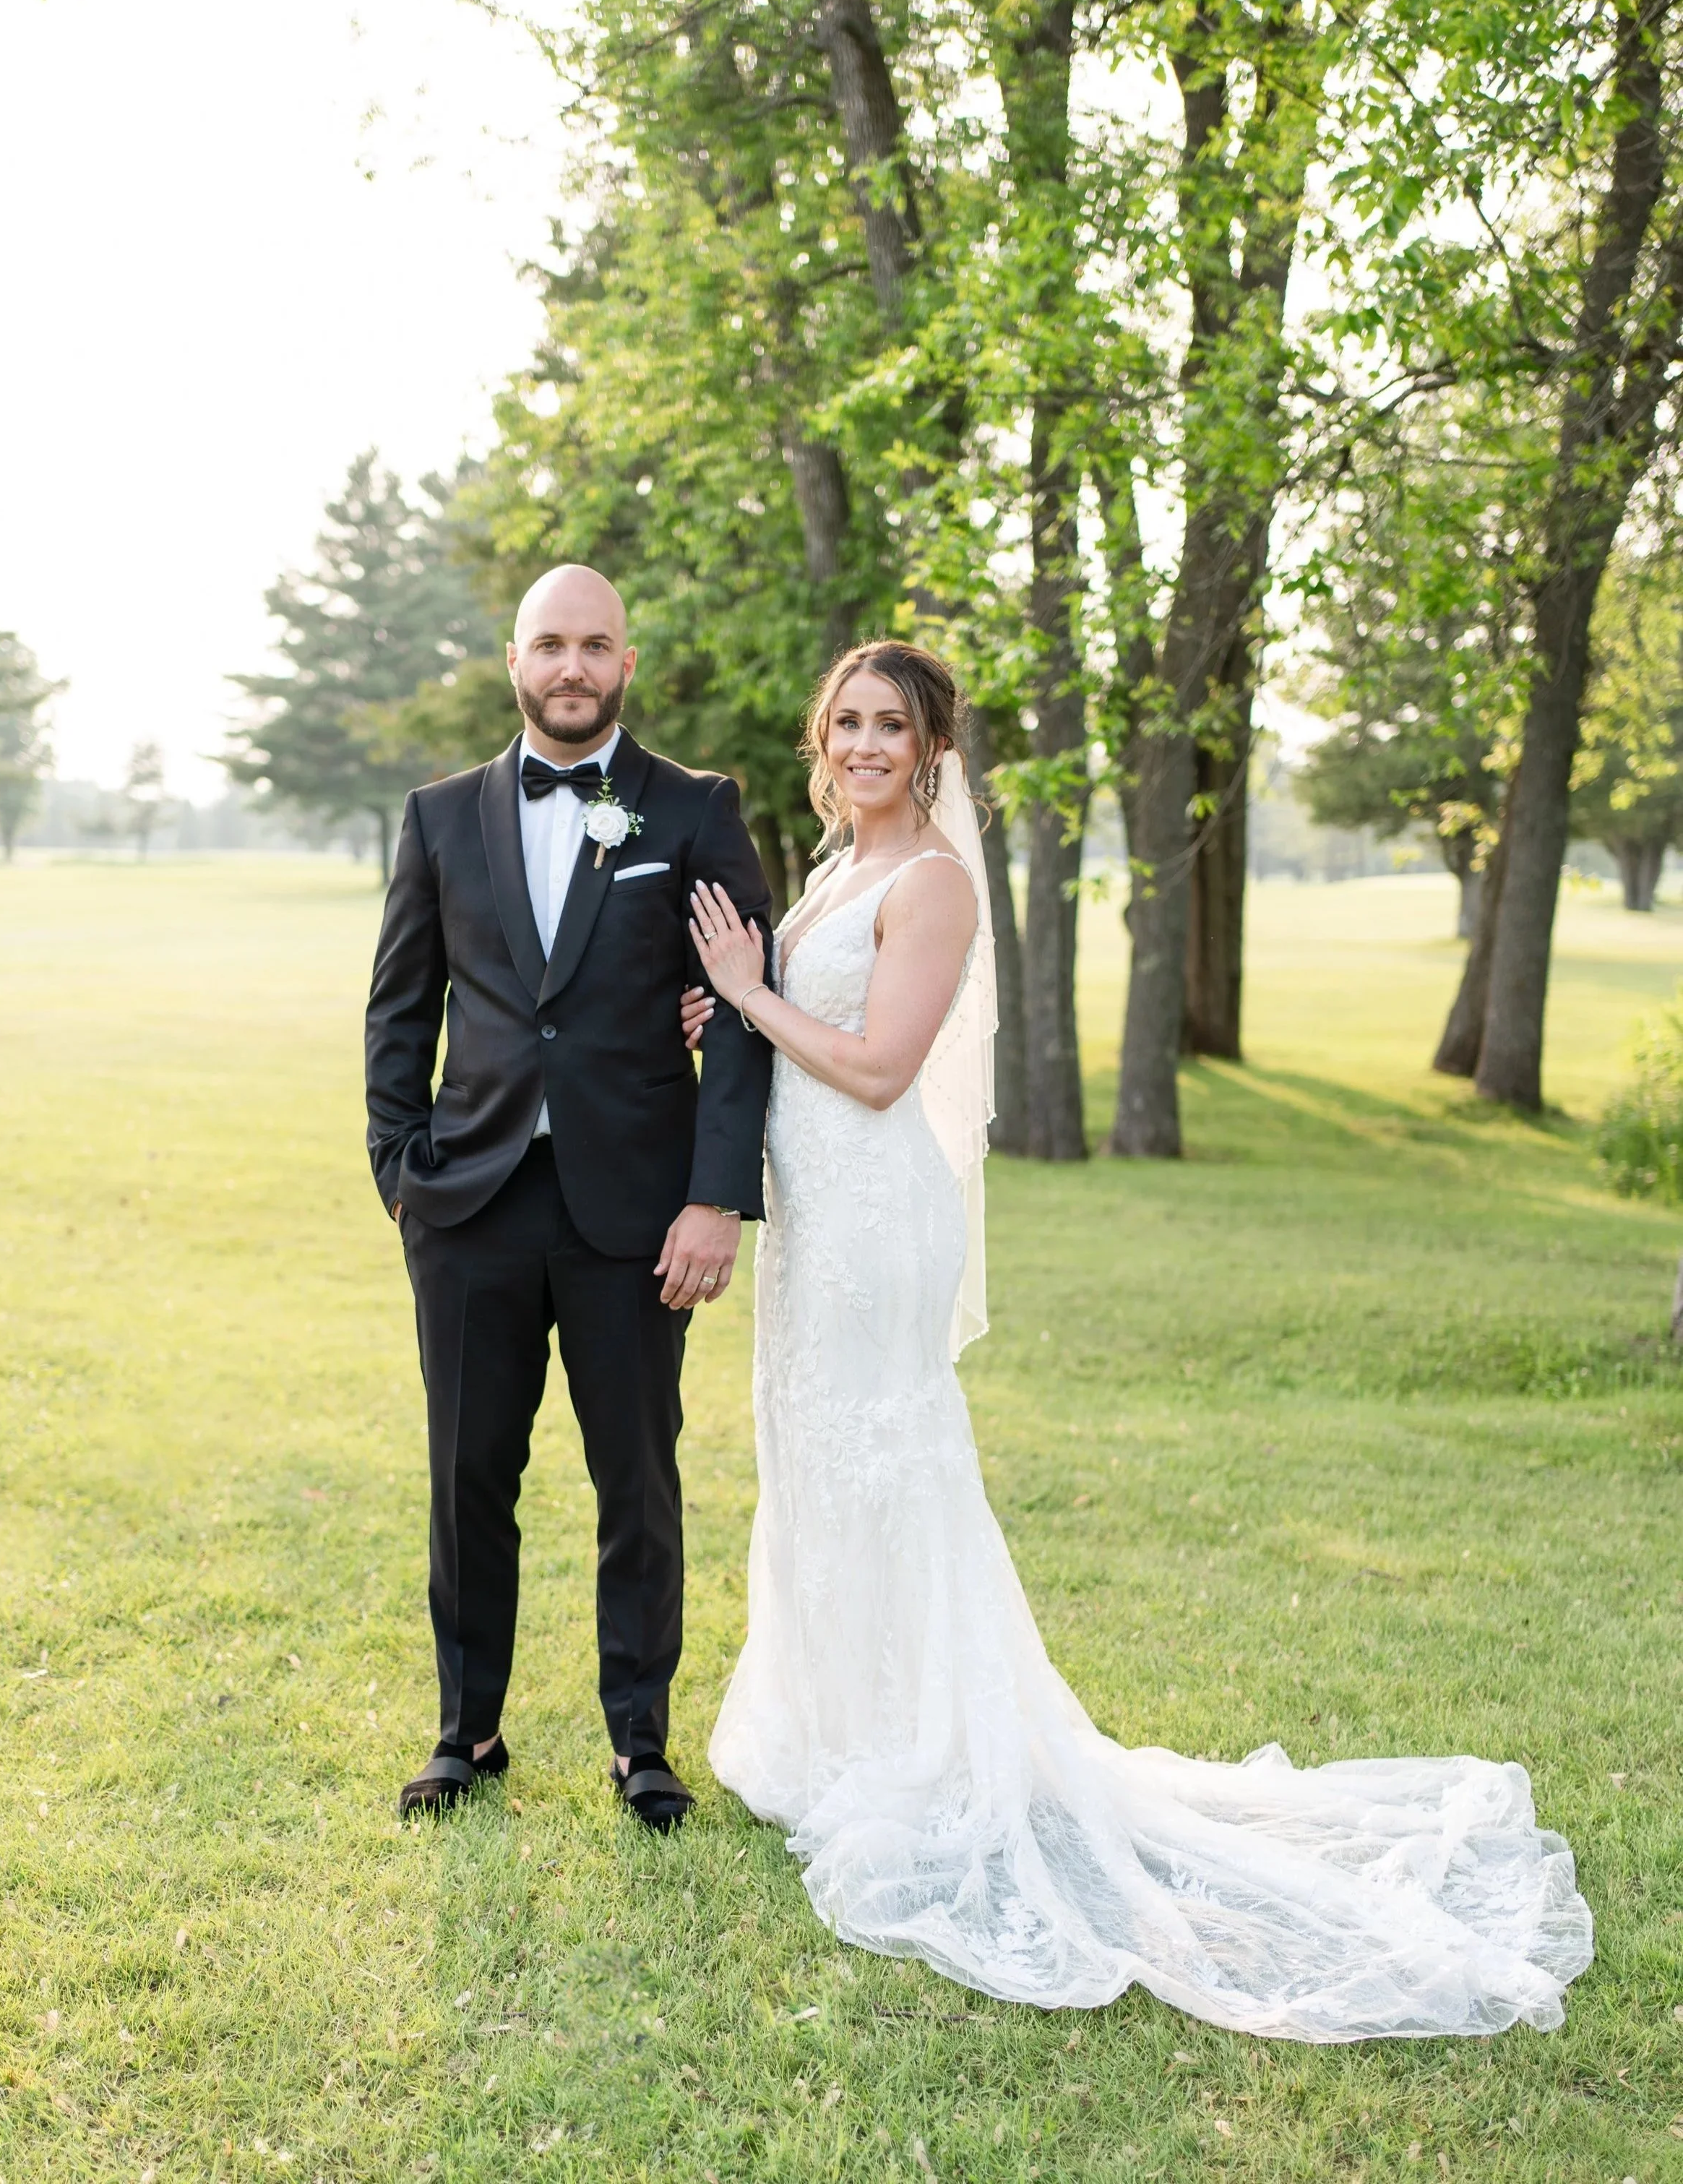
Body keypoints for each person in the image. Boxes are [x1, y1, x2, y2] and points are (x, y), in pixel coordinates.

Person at [680, 637, 1593, 2038]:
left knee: (881, 1457)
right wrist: (730, 1004)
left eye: (890, 726)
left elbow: (874, 1069)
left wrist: (750, 994)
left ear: (931, 750)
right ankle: (832, 1726)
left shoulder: (928, 882)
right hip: (812, 1221)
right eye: (846, 720)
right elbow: (807, 1024)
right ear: (824, 737)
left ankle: (920, 1751)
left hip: (876, 1220)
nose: (863, 743)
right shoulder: (833, 869)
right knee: (809, 1454)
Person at [364, 563, 771, 1828]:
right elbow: (399, 1005)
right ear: (514, 661)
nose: (573, 668)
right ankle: (466, 1734)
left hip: (638, 1216)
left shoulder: (693, 809)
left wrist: (715, 1198)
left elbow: (747, 1020)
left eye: (597, 646)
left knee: (635, 1480)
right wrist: (401, 1173)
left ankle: (640, 1743)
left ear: (627, 664)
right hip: (472, 1207)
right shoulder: (439, 816)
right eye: (551, 645)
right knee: (467, 1475)